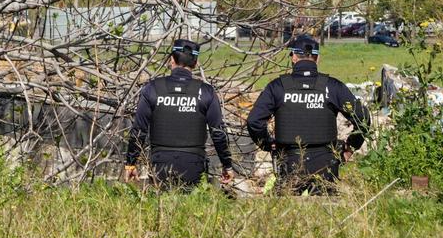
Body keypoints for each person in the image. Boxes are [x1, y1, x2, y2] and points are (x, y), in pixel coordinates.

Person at [246, 34, 370, 194]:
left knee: (285, 214)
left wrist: (268, 145)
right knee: (327, 215)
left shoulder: (277, 87)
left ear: (293, 57)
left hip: (289, 162)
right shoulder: (332, 87)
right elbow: (363, 119)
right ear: (317, 58)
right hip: (326, 164)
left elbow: (254, 121)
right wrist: (350, 147)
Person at [124, 39, 235, 189]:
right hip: (194, 166)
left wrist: (130, 163)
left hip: (160, 165)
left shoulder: (152, 88)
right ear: (195, 63)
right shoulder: (206, 91)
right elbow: (218, 132)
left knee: (161, 210)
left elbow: (139, 130)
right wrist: (227, 165)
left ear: (171, 61)